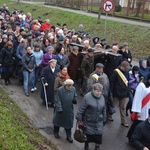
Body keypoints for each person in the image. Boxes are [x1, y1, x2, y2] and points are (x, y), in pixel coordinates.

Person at [76, 83, 106, 150]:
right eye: (97, 91)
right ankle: (86, 146)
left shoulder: (102, 98)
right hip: (88, 120)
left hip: (99, 121)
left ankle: (97, 146)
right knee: (88, 135)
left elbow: (104, 109)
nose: (99, 93)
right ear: (93, 90)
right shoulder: (87, 97)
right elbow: (81, 108)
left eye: (100, 91)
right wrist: (79, 119)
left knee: (98, 135)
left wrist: (104, 118)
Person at [52, 79, 77, 143]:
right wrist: (59, 108)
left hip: (69, 109)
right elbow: (58, 99)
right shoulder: (60, 90)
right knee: (58, 121)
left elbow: (75, 96)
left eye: (71, 86)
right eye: (68, 86)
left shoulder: (73, 89)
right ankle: (56, 132)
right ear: (65, 85)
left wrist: (74, 100)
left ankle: (69, 136)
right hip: (61, 108)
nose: (70, 87)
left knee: (69, 123)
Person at [127, 73, 150, 142]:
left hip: (147, 109)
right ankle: (131, 137)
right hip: (141, 109)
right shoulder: (142, 85)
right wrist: (137, 111)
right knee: (137, 125)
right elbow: (137, 98)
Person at [109, 61, 130, 127]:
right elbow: (112, 82)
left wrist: (127, 91)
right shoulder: (116, 72)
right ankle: (109, 115)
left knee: (123, 107)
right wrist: (111, 91)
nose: (127, 69)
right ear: (122, 66)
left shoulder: (127, 73)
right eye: (126, 68)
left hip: (124, 93)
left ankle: (124, 121)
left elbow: (127, 82)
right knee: (113, 105)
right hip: (116, 93)